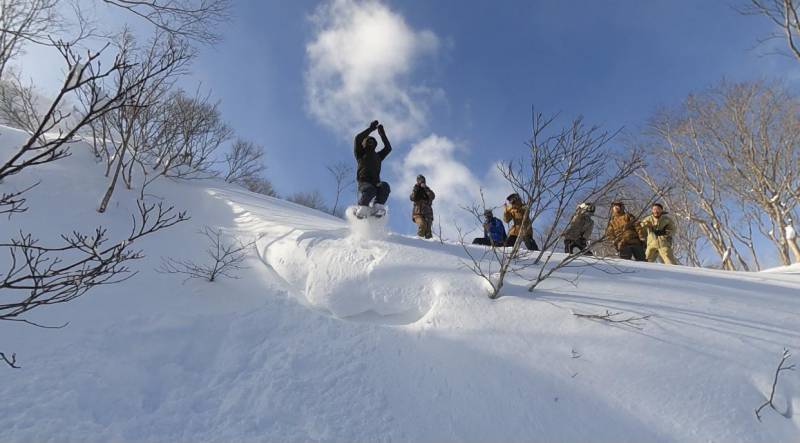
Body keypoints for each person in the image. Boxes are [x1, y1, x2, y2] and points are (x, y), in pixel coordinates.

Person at [353, 120, 392, 218]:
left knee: (384, 186)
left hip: (376, 182)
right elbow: (357, 139)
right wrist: (370, 129)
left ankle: (377, 207)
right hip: (364, 182)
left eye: (373, 141)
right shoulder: (360, 153)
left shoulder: (378, 156)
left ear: (375, 145)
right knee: (370, 190)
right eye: (368, 141)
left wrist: (382, 134)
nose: (371, 142)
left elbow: (388, 148)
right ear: (364, 144)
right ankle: (361, 208)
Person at [410, 175, 435, 239]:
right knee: (422, 225)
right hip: (418, 214)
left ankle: (429, 246)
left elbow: (432, 196)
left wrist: (426, 188)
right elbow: (412, 198)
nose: (421, 182)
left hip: (428, 214)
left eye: (422, 180)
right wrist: (416, 189)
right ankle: (419, 241)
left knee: (428, 232)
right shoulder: (416, 189)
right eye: (419, 180)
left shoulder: (427, 190)